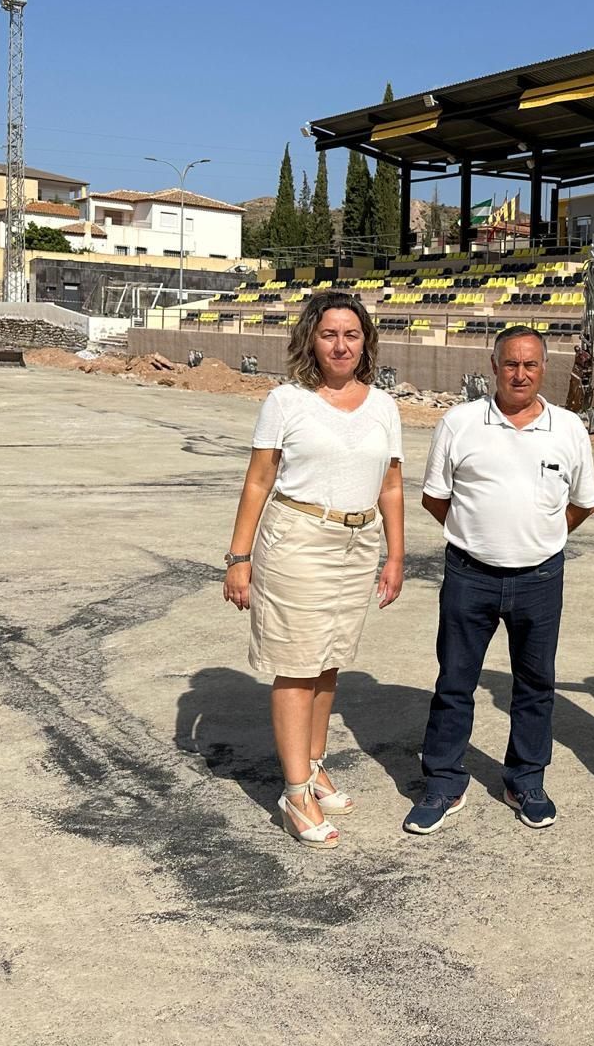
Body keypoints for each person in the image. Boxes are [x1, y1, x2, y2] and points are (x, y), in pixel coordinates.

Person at [222, 290, 405, 850]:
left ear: (365, 342)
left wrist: (395, 555)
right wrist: (239, 556)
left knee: (329, 664)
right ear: (311, 339)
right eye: (329, 334)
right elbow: (258, 480)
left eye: (351, 334)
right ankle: (295, 791)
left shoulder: (384, 405)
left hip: (359, 543)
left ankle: (314, 762)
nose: (341, 344)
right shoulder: (286, 401)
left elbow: (392, 484)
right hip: (298, 539)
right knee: (298, 666)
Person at [404, 326, 594, 835]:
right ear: (494, 367)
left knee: (536, 686)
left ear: (543, 369)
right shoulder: (460, 423)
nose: (520, 374)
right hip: (470, 576)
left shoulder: (569, 429)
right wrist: (478, 535)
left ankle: (525, 780)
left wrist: (539, 536)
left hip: (540, 579)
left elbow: (581, 503)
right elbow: (434, 497)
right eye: (510, 364)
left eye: (530, 365)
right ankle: (444, 783)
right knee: (454, 683)